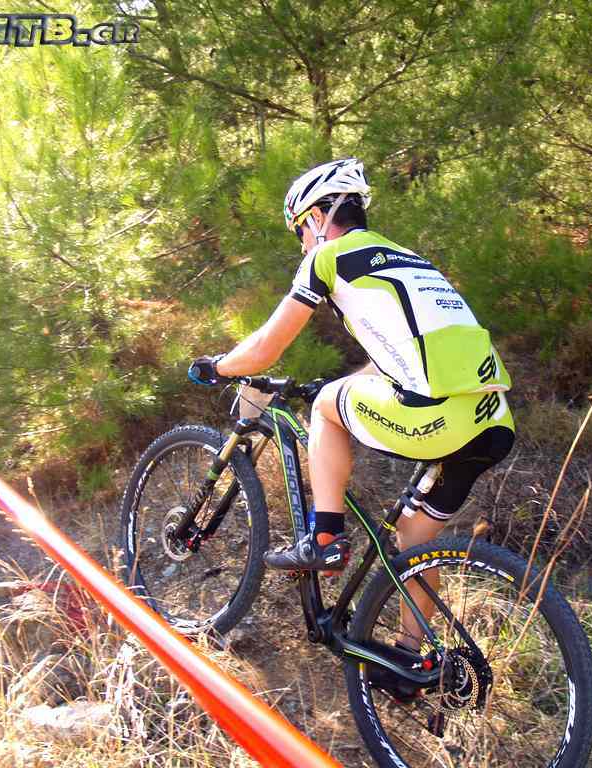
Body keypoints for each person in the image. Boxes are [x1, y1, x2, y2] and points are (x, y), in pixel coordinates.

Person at [189, 158, 515, 650]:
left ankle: (324, 538)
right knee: (415, 540)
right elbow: (406, 354)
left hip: (436, 417)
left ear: (319, 217)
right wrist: (347, 383)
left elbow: (265, 349)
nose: (302, 243)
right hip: (492, 423)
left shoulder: (329, 256)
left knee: (325, 405)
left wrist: (219, 366)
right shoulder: (409, 259)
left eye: (300, 230)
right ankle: (412, 658)